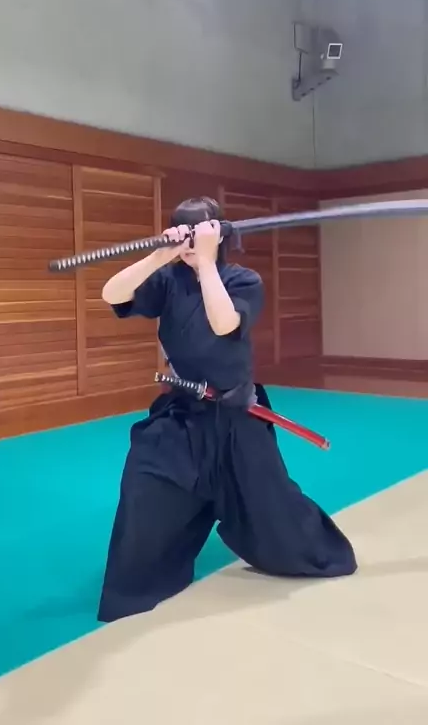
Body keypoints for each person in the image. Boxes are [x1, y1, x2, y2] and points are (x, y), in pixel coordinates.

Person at [98, 196, 357, 623]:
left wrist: (205, 263)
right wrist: (160, 255)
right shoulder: (167, 280)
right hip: (182, 414)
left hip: (238, 415)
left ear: (218, 235)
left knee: (273, 509)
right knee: (145, 482)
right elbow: (112, 293)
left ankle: (314, 547)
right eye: (183, 232)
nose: (190, 244)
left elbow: (223, 324)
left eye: (197, 232)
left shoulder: (242, 280)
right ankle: (139, 581)